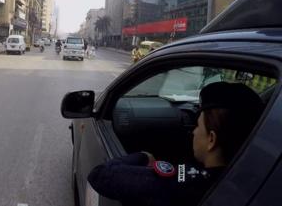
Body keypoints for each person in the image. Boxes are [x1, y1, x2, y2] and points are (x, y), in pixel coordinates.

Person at [88, 82, 264, 206]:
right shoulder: (257, 180)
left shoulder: (183, 184)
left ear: (211, 139)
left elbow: (99, 175)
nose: (193, 132)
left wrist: (143, 157)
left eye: (198, 125)